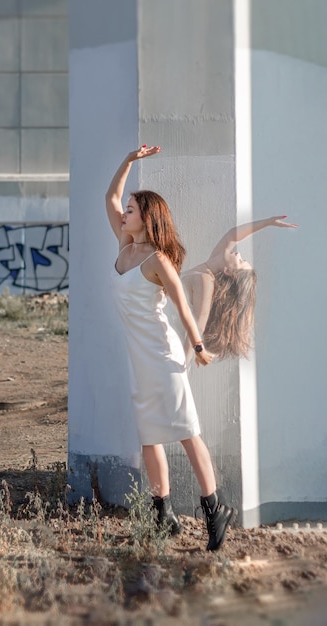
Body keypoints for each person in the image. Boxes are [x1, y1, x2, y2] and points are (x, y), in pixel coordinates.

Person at [106, 145, 236, 551]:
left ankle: (215, 509)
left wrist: (197, 346)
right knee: (150, 437)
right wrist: (128, 161)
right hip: (139, 362)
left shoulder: (157, 260)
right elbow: (109, 197)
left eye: (131, 210)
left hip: (164, 356)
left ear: (146, 218)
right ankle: (163, 513)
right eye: (126, 209)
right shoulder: (124, 248)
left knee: (185, 432)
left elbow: (180, 302)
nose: (124, 213)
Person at [181, 216, 297, 363]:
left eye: (241, 261)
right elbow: (232, 235)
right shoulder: (209, 266)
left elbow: (198, 326)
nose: (238, 253)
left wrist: (182, 365)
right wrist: (267, 223)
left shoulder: (206, 281)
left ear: (229, 272)